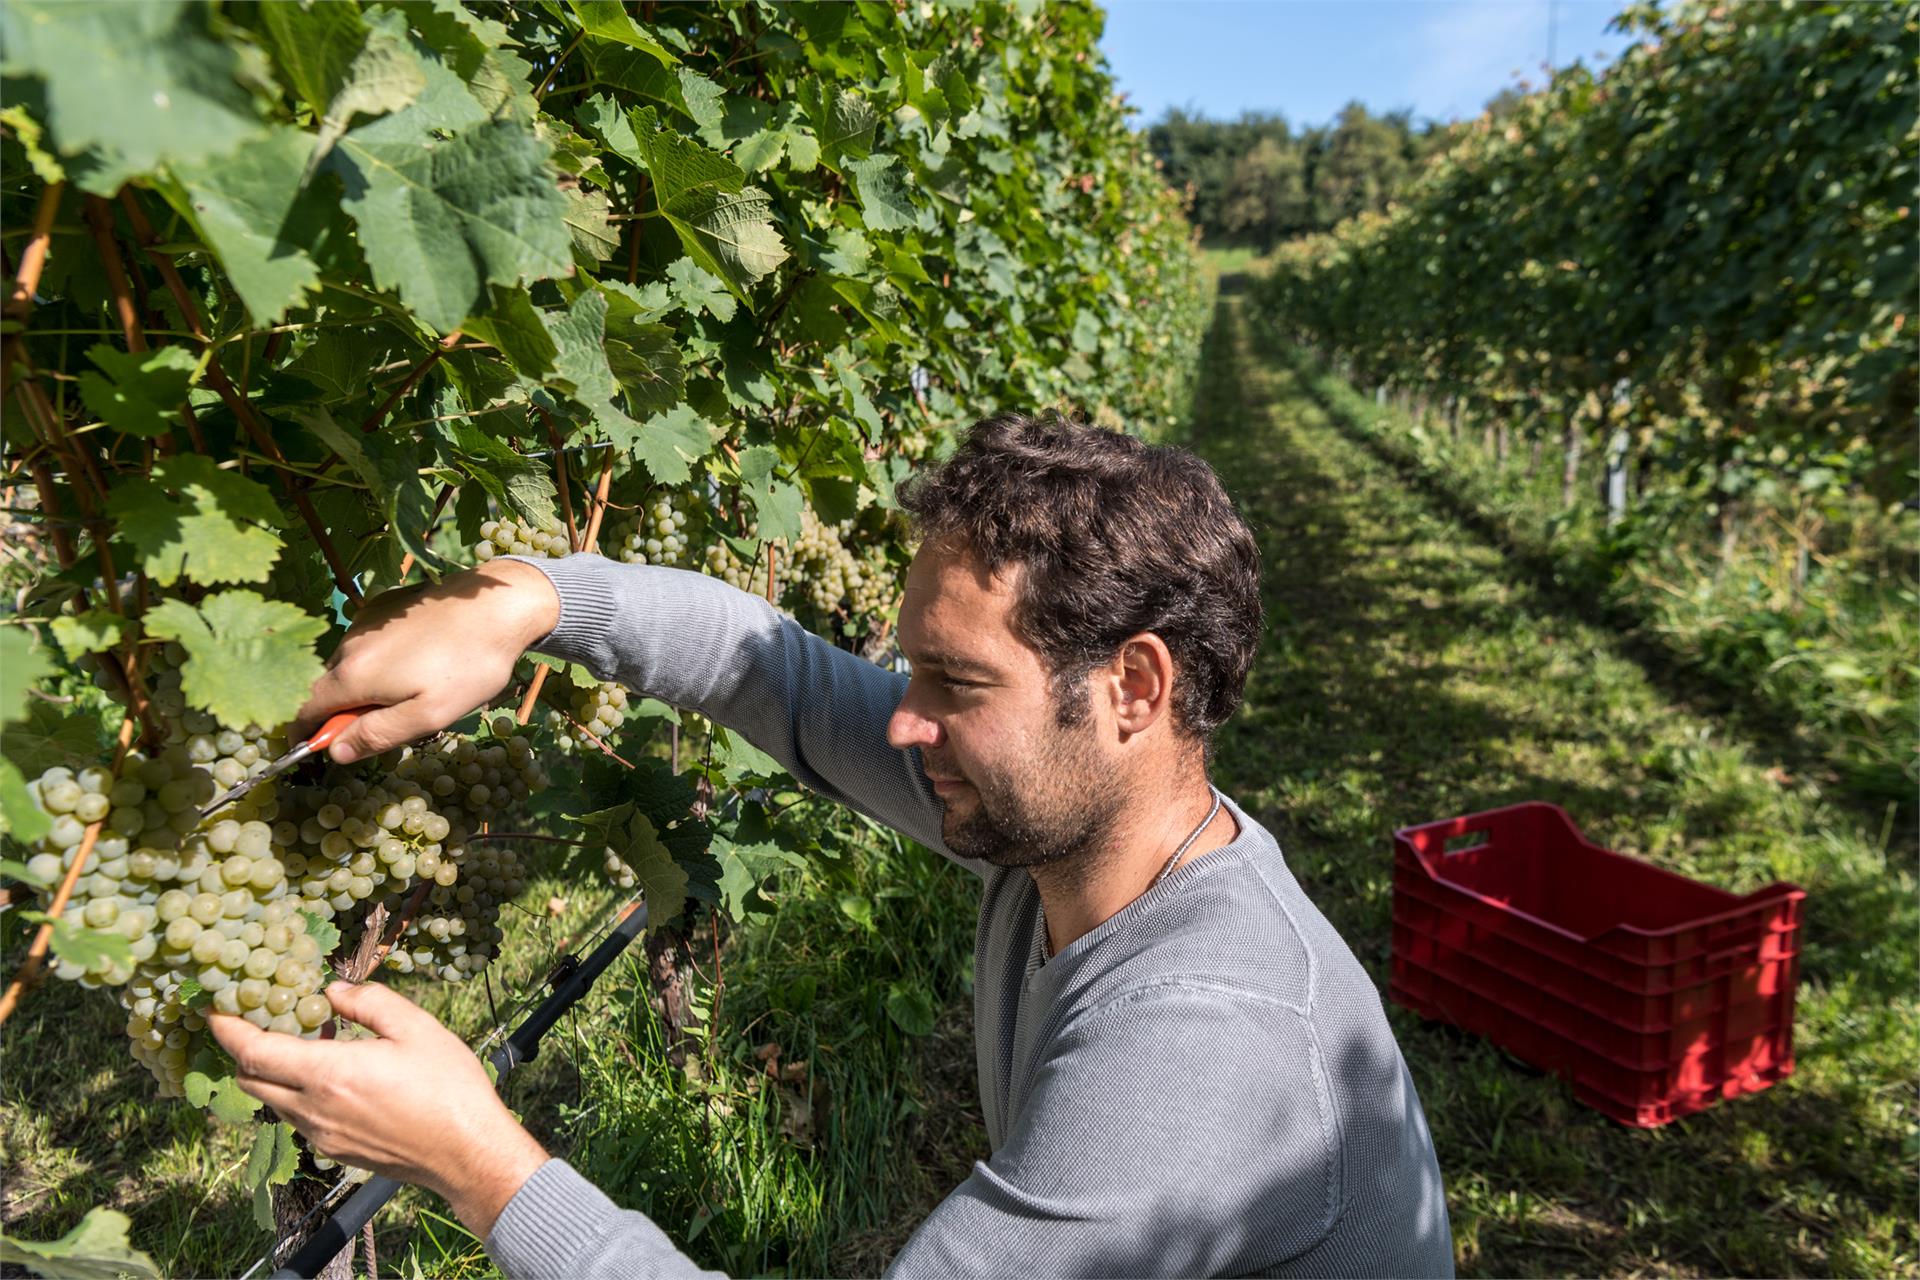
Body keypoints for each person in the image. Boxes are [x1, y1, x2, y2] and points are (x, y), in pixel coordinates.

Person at [211, 413, 1453, 1278]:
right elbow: (785, 680)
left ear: (1133, 686)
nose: (907, 719)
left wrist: (474, 1159)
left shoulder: (1199, 1046)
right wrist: (525, 603)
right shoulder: (1084, 828)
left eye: (955, 681)